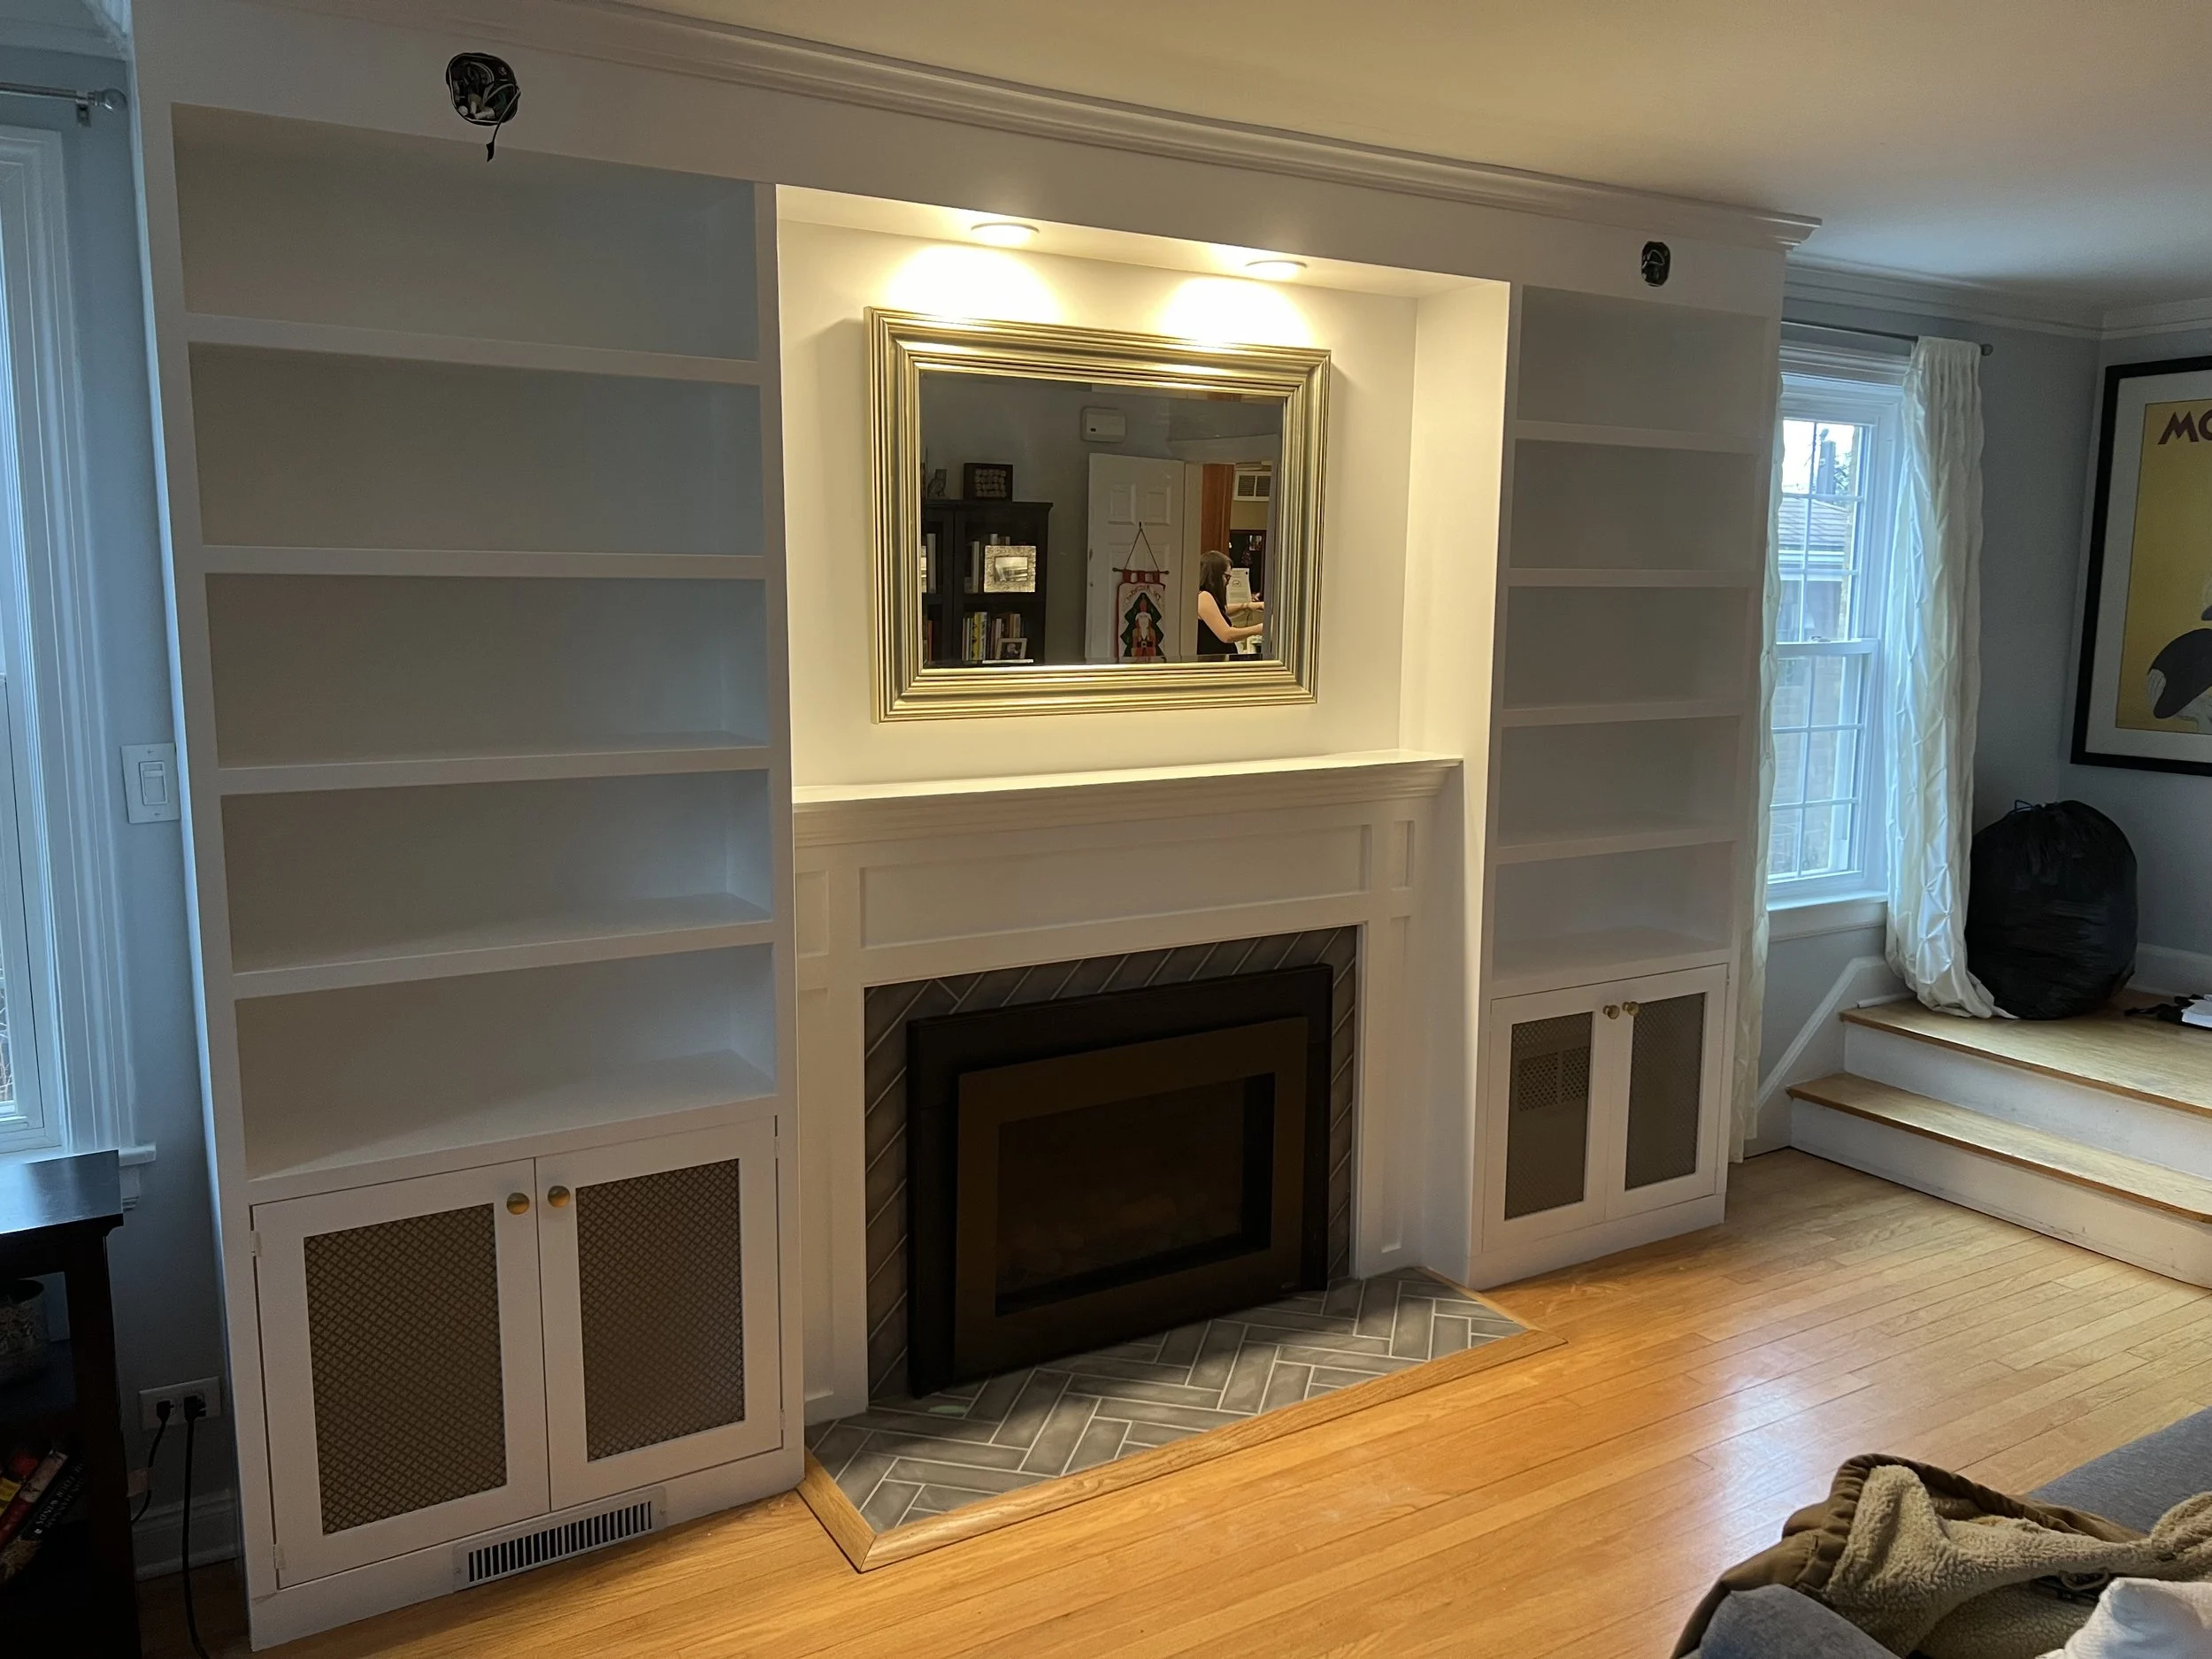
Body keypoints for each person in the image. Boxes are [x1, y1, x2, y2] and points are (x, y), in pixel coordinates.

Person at [1195, 549, 1264, 657]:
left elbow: (1220, 611)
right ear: (1214, 575)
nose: (1228, 582)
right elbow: (1226, 635)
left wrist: (1248, 606)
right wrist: (1258, 629)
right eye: (1226, 577)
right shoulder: (1204, 596)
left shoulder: (1204, 596)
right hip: (1212, 664)